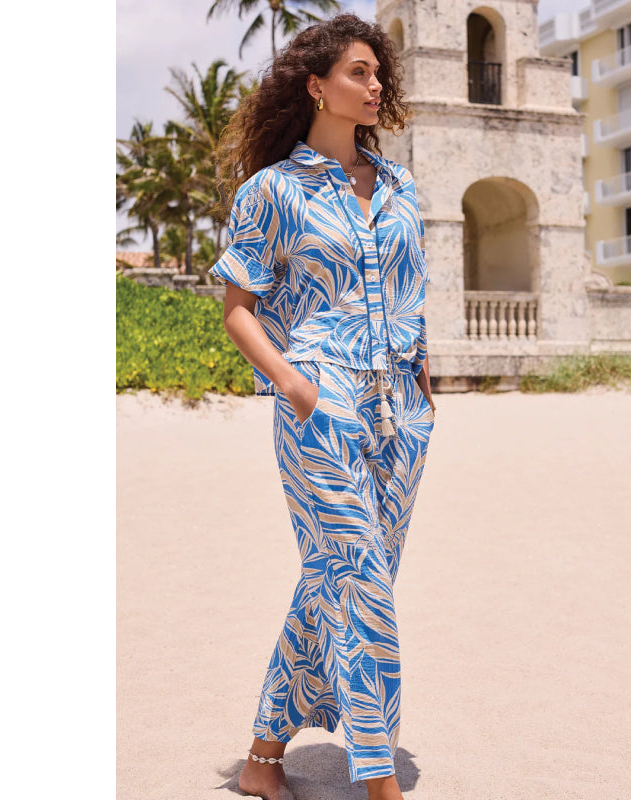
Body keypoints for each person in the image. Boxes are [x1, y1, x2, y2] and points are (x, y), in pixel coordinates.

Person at [208, 12, 435, 800]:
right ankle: (379, 780)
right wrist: (295, 385)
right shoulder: (272, 191)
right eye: (358, 73)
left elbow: (411, 290)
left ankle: (263, 759)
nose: (375, 86)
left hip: (402, 412)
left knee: (335, 582)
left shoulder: (400, 184)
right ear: (316, 85)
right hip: (321, 408)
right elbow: (238, 308)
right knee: (361, 582)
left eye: (378, 74)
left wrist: (424, 375)